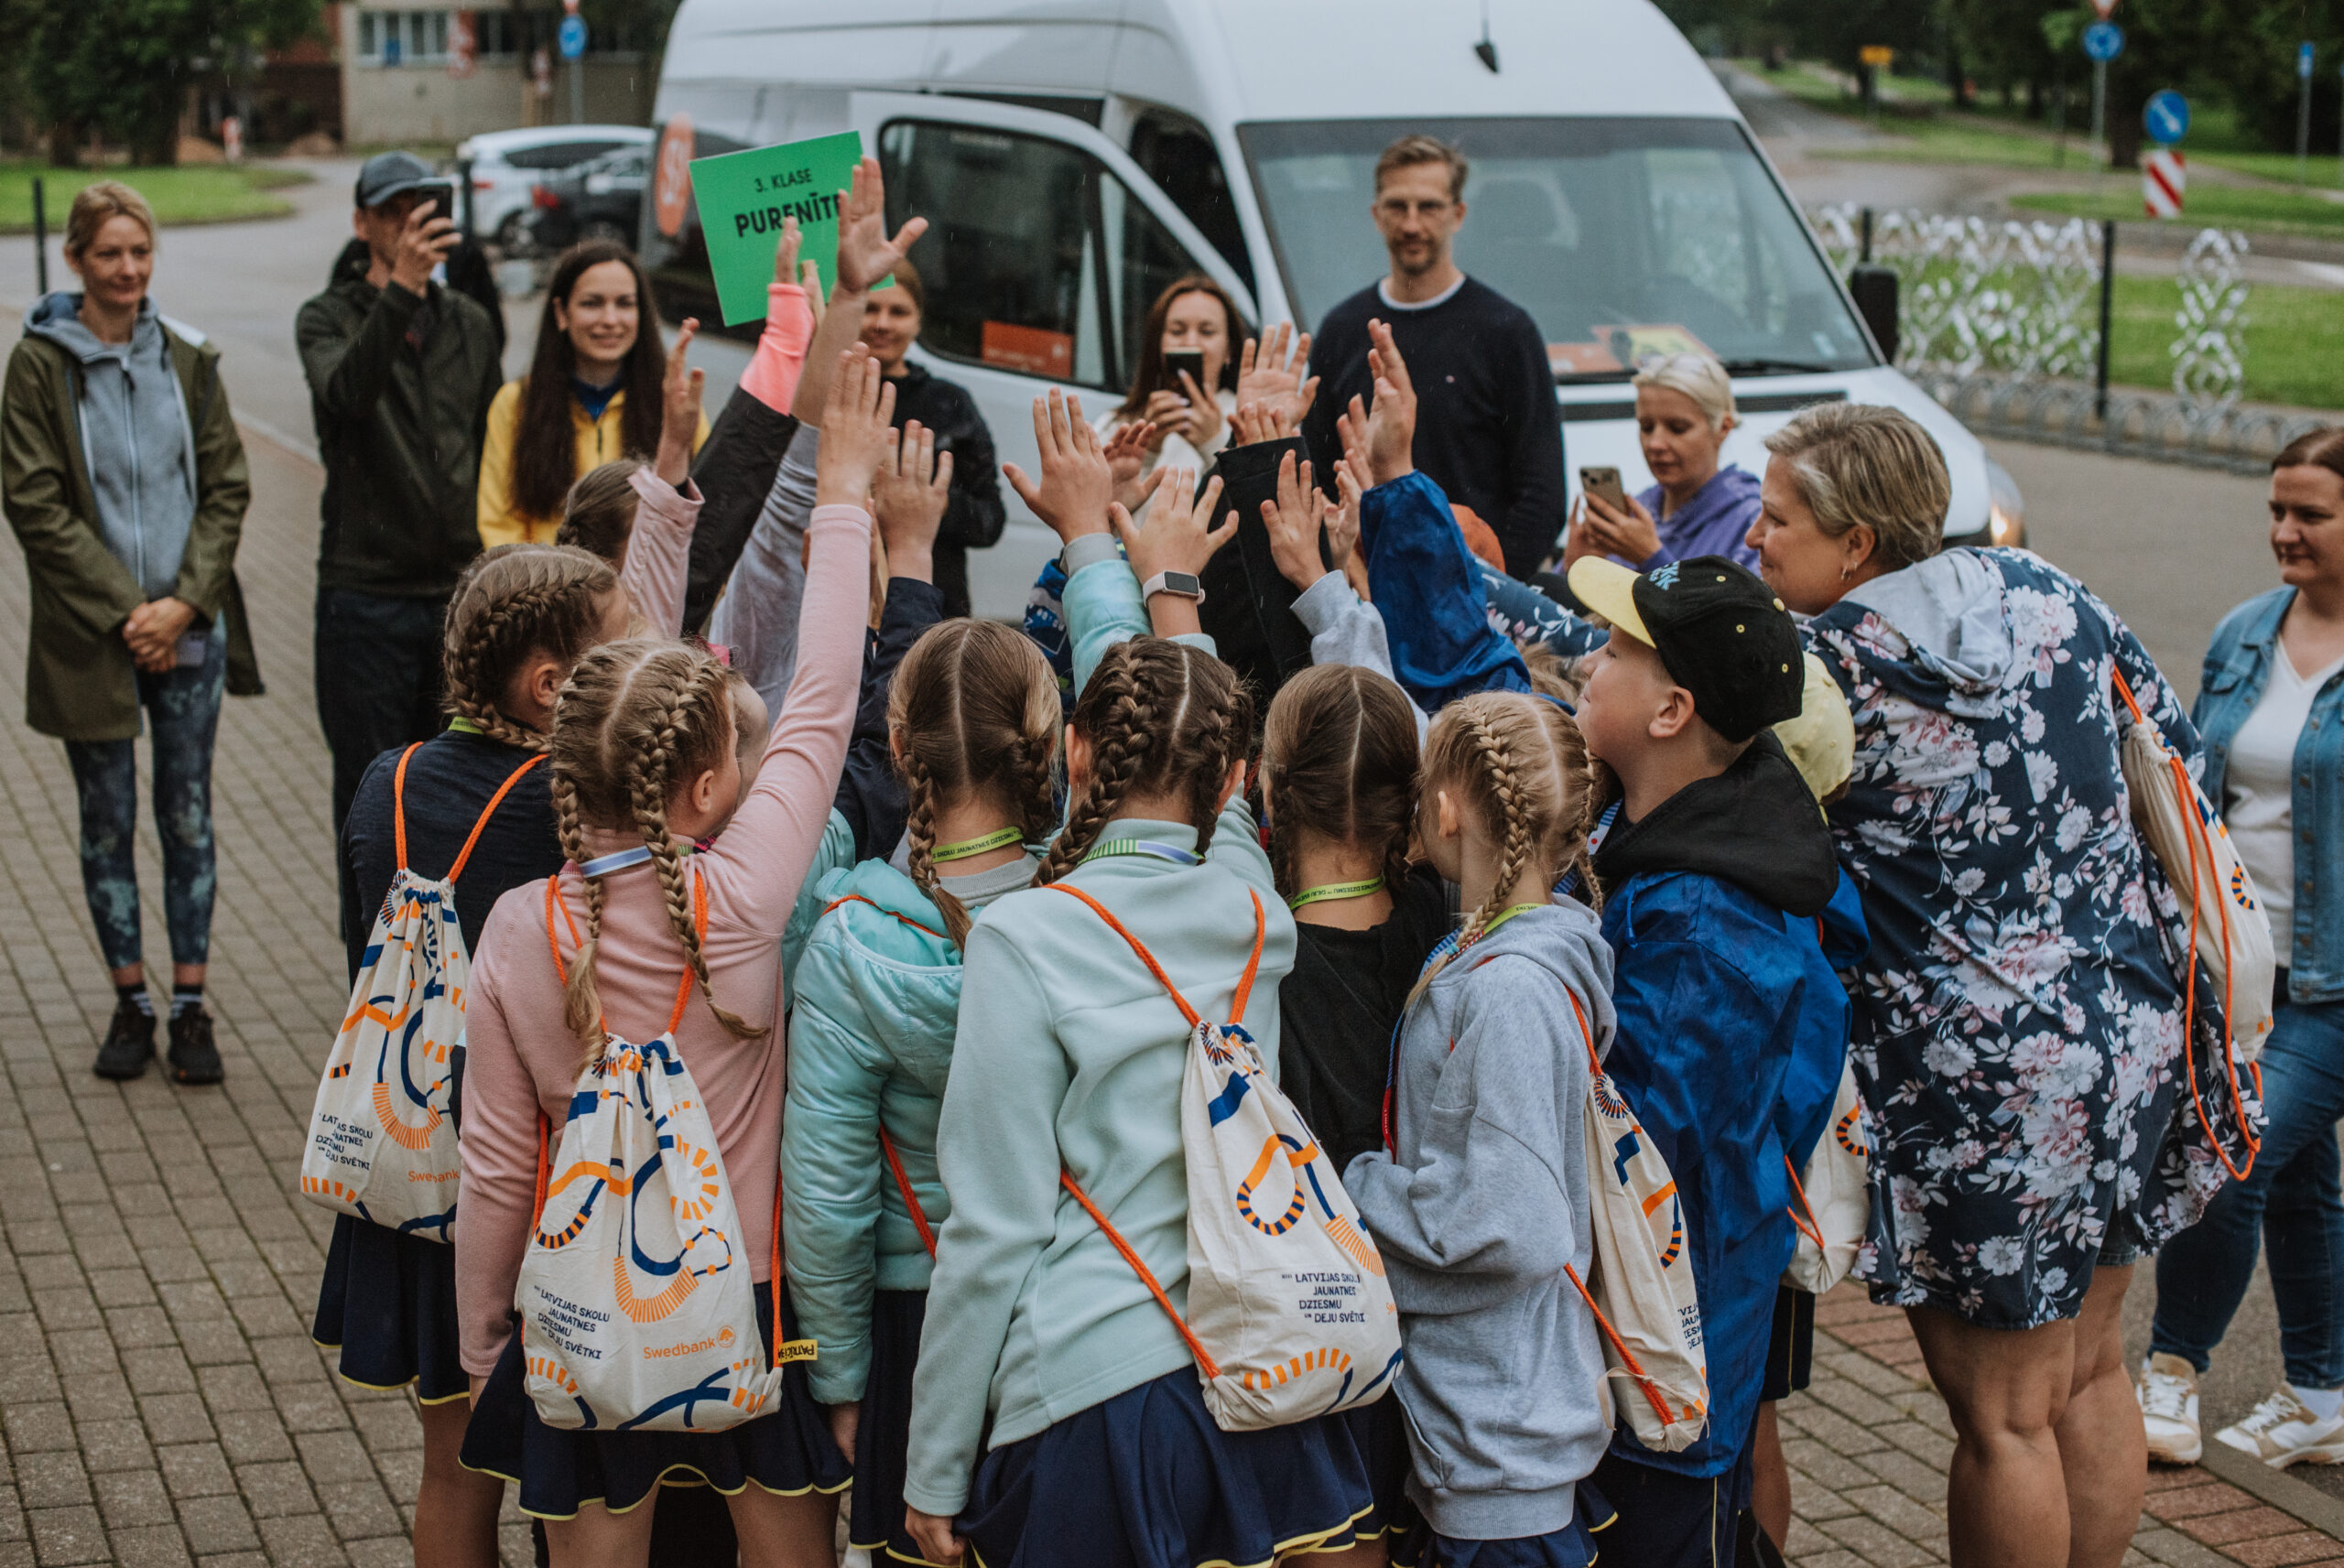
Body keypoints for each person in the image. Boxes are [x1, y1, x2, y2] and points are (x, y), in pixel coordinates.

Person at [1745, 402, 2213, 1568]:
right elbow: (2178, 756)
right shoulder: (2054, 597)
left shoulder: (1829, 668)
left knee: (2001, 1419)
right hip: (2126, 1029)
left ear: (1856, 544)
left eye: (1775, 518)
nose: (1755, 540)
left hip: (1983, 1081)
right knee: (2088, 1366)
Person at [452, 352, 890, 1563]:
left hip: (583, 1291)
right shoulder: (742, 898)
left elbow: (494, 1168)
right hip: (744, 1298)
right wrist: (842, 494)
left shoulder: (515, 928)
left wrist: (488, 1341)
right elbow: (822, 698)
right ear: (706, 786)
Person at [319, 543, 629, 1568]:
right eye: (622, 648)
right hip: (534, 1181)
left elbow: (360, 940)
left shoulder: (386, 781)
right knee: (566, 1472)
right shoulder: (569, 814)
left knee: (451, 1466)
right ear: (550, 687)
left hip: (415, 1177)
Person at [1560, 551, 1845, 1566]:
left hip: (1658, 1362)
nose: (1588, 667)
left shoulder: (1697, 934)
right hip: (1686, 1343)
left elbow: (1644, 1168)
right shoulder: (1702, 841)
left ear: (1672, 711)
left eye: (1614, 650)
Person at [1345, 689, 1617, 1568]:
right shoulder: (1500, 959)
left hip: (1497, 1457)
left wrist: (1355, 1193)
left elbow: (1509, 1224)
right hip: (1490, 1439)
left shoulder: (1507, 992)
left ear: (1450, 805)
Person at [3, 180, 256, 1085]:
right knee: (106, 821)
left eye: (140, 253)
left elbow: (226, 486)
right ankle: (130, 1002)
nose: (128, 271)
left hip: (187, 626)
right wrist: (128, 609)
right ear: (76, 260)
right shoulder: (38, 365)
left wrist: (184, 602)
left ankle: (190, 1005)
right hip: (93, 633)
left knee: (186, 816)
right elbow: (33, 501)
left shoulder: (187, 357)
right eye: (108, 254)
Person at [2139, 427, 2344, 1470]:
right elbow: (2187, 780)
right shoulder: (2244, 633)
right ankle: (2320, 1390)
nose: (2283, 531)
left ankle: (2169, 1373)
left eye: (2310, 514)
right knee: (2299, 1180)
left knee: (2234, 1151)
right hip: (2230, 961)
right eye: (2276, 509)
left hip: (2334, 981)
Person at [298, 150, 505, 842]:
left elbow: (488, 441)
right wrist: (402, 292)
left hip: (455, 603)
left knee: (449, 807)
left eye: (422, 208)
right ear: (362, 223)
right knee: (371, 808)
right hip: (366, 600)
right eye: (392, 211)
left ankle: (443, 954)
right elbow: (349, 394)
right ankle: (364, 954)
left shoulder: (471, 323)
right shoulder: (324, 318)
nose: (411, 224)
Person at [1300, 135, 1565, 579]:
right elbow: (1318, 476)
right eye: (1397, 206)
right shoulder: (1342, 330)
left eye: (1428, 207)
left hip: (1479, 594)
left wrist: (1491, 590)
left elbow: (1542, 493)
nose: (1411, 223)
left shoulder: (1505, 331)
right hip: (1365, 593)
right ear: (1375, 214)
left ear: (1457, 214)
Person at [477, 242, 708, 549]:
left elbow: (704, 513)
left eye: (625, 303)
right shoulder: (516, 402)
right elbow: (500, 527)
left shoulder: (673, 403)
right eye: (592, 303)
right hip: (549, 592)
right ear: (561, 313)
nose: (610, 319)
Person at [857, 254, 1004, 618]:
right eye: (870, 308)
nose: (882, 324)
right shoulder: (826, 394)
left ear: (919, 319)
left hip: (933, 610)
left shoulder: (950, 403)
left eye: (899, 312)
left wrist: (931, 503)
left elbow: (990, 521)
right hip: (843, 598)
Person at [1563, 352, 1761, 572]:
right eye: (1646, 427)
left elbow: (1741, 608)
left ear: (1723, 427)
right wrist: (1573, 570)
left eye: (1678, 428)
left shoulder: (1752, 523)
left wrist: (1651, 558)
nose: (1655, 444)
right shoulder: (1635, 513)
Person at [1099, 275, 1243, 482]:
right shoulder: (1119, 425)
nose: (1190, 342)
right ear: (1158, 344)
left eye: (1207, 332)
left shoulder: (1244, 422)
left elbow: (1251, 509)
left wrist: (1214, 444)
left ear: (1229, 350)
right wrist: (1147, 450)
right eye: (1177, 331)